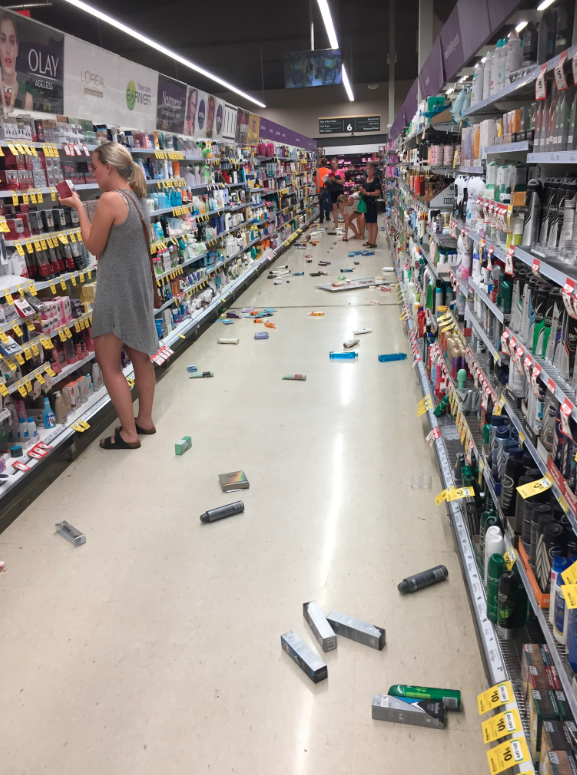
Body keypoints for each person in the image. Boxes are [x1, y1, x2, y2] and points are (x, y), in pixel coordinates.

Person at [59, 142, 159, 450]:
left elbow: (93, 245)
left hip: (116, 293)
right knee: (141, 357)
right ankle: (144, 420)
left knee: (109, 363)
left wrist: (78, 207)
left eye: (95, 166)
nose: (94, 172)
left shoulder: (110, 199)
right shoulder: (138, 196)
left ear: (109, 168)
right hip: (138, 288)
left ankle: (128, 434)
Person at [0, 15, 32, 110]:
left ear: (17, 48)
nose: (8, 50)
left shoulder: (26, 98)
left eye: (12, 41)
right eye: (3, 40)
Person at [360, 161, 382, 248]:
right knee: (368, 223)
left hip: (373, 204)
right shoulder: (365, 181)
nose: (368, 171)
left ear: (374, 170)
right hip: (366, 204)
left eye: (370, 169)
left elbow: (377, 193)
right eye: (367, 169)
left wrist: (367, 193)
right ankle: (369, 240)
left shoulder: (376, 180)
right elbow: (364, 192)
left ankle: (374, 242)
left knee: (373, 222)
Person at [323, 157, 345, 230]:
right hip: (332, 192)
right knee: (334, 209)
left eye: (334, 164)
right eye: (332, 164)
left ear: (337, 164)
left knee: (342, 208)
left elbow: (343, 182)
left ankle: (347, 223)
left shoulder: (340, 171)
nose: (333, 165)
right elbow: (325, 182)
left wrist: (335, 180)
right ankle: (336, 224)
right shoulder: (329, 172)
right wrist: (327, 180)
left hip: (339, 191)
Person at [315, 156, 329, 224]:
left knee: (321, 203)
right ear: (326, 163)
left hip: (319, 189)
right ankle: (328, 216)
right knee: (327, 201)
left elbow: (313, 179)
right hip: (327, 188)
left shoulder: (317, 170)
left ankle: (321, 219)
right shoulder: (328, 170)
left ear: (320, 163)